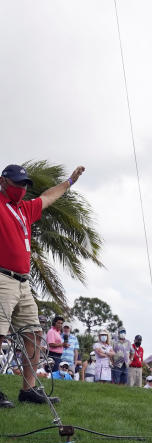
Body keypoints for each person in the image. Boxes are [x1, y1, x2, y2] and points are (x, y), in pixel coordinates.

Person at [0, 164, 81, 408]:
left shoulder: (25, 208)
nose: (22, 189)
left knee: (34, 334)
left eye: (25, 185)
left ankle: (28, 389)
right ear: (3, 182)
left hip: (23, 282)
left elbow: (47, 197)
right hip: (2, 278)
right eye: (17, 184)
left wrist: (69, 181)